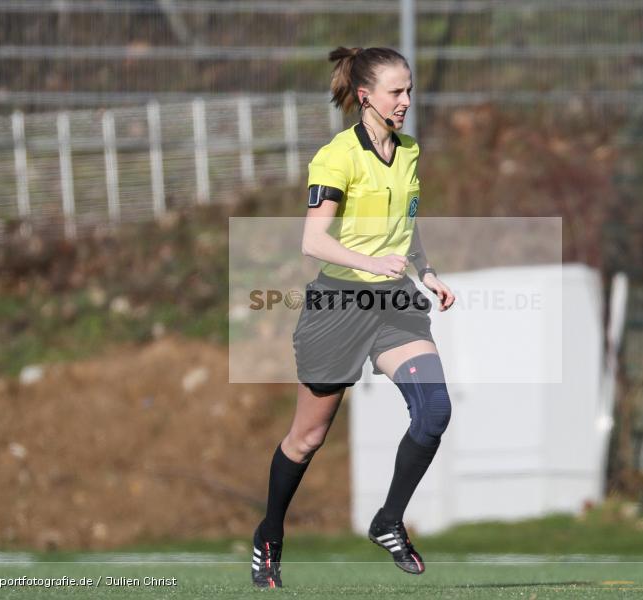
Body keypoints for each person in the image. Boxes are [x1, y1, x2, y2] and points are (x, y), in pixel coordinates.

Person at [251, 46, 456, 589]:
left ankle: (389, 520)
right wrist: (371, 262)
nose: (407, 101)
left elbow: (405, 224)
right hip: (339, 307)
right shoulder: (336, 156)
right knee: (308, 437)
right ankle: (270, 534)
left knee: (434, 411)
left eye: (409, 89)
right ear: (365, 96)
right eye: (396, 92)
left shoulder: (409, 151)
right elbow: (313, 241)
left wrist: (426, 270)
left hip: (393, 306)